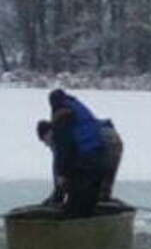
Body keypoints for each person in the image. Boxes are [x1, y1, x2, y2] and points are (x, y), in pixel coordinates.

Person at [37, 88, 123, 217]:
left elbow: (62, 162)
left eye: (45, 141)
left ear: (48, 133)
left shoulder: (62, 120)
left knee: (77, 204)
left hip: (95, 154)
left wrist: (57, 196)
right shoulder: (76, 112)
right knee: (94, 195)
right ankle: (102, 205)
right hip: (103, 151)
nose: (47, 144)